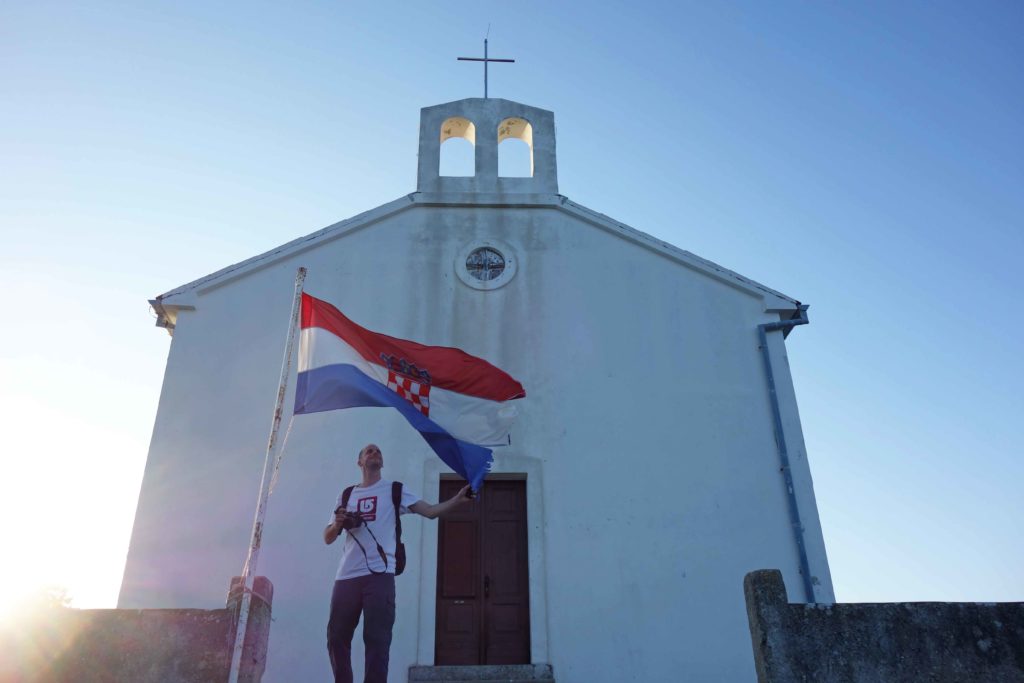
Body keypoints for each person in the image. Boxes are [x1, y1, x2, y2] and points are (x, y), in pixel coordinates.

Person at [324, 443, 472, 683]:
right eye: (368, 451)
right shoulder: (346, 495)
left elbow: (431, 511)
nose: (375, 453)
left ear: (382, 462)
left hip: (380, 576)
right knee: (336, 637)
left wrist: (457, 499)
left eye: (378, 451)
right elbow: (327, 537)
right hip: (346, 577)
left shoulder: (394, 490)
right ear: (359, 462)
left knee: (377, 640)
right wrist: (338, 524)